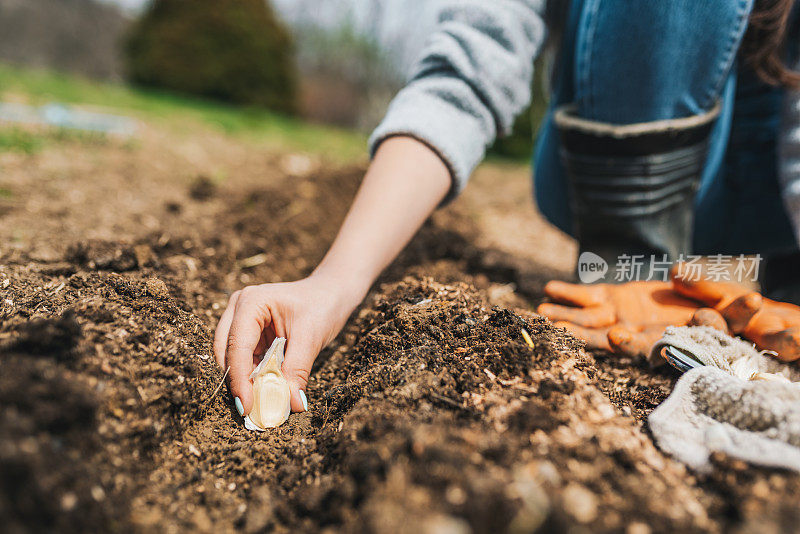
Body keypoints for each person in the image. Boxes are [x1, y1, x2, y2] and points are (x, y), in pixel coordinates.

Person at [214, 0, 800, 418]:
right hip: (608, 158)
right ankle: (634, 261)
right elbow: (465, 75)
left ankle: (764, 281)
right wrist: (334, 282)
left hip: (770, 201)